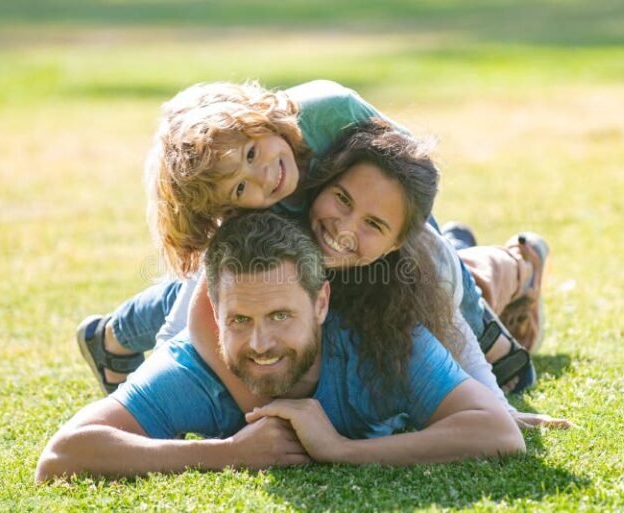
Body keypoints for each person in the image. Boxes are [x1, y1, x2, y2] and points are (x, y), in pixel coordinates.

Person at [80, 121, 569, 429]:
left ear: (395, 238)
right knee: (204, 298)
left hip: (430, 273)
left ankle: (519, 263)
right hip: (259, 285)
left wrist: (494, 407)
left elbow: (452, 333)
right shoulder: (272, 209)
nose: (343, 229)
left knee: (471, 283)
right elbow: (188, 320)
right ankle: (112, 336)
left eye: (373, 224)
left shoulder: (417, 259)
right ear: (323, 182)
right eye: (342, 201)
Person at [35, 213, 525, 481]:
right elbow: (61, 455)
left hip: (441, 277)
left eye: (280, 316)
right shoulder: (193, 373)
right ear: (213, 313)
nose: (260, 343)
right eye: (240, 320)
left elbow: (500, 434)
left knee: (481, 275)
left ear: (321, 302)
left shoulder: (382, 343)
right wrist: (226, 454)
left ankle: (522, 261)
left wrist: (341, 450)